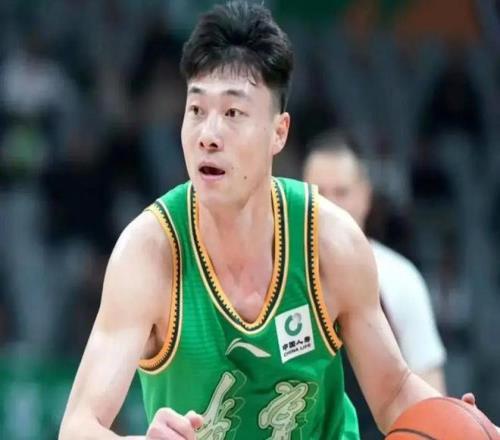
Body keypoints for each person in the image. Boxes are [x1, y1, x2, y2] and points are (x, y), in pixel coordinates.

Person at [59, 2, 479, 439]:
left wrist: (456, 425)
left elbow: (392, 394)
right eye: (196, 110)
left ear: (279, 132)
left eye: (233, 113)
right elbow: (78, 426)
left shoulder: (330, 241)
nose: (208, 135)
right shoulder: (149, 252)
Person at [303, 131, 447, 438]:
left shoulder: (400, 278)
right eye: (319, 193)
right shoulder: (269, 273)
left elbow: (430, 386)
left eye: (341, 192)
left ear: (365, 196)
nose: (330, 205)